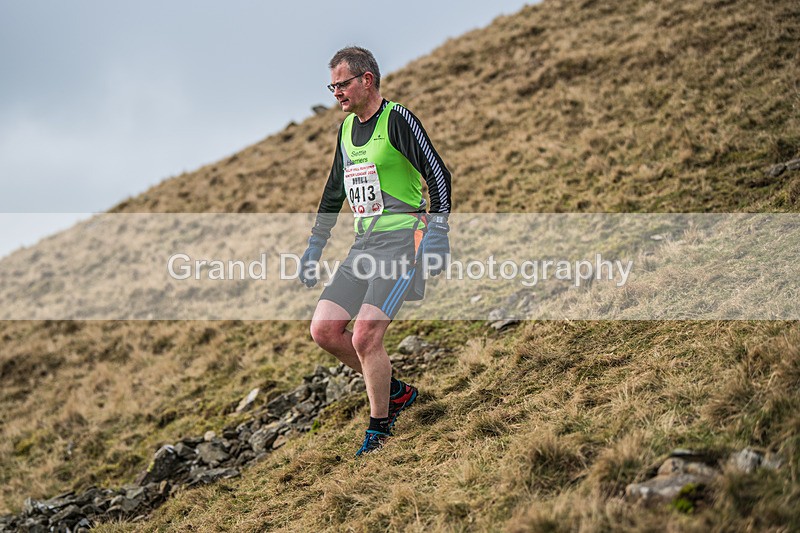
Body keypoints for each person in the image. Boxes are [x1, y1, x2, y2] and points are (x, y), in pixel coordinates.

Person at [299, 46, 452, 456]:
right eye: (331, 87)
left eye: (342, 84)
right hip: (364, 244)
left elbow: (437, 172)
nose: (337, 93)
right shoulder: (346, 131)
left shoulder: (397, 119)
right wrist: (316, 244)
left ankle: (380, 427)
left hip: (404, 240)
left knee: (366, 336)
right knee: (325, 330)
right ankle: (396, 392)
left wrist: (439, 227)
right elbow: (334, 190)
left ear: (367, 80)